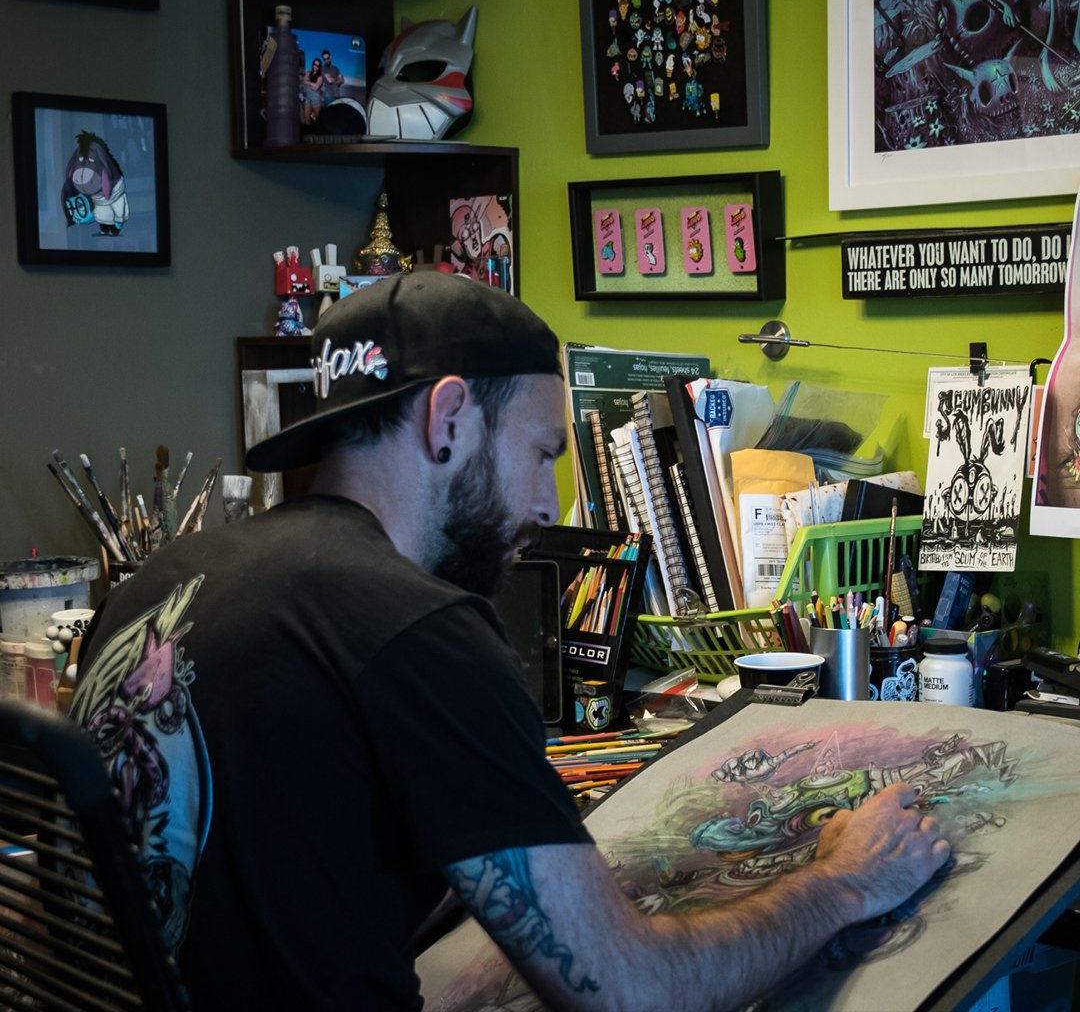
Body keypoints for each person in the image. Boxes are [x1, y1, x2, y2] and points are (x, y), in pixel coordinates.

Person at [71, 273, 950, 1010]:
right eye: (541, 453)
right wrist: (845, 881)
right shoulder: (417, 625)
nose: (545, 504)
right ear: (448, 418)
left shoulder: (155, 588)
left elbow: (271, 884)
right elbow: (632, 993)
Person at [302, 56, 324, 125]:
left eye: (317, 65)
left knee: (318, 118)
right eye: (314, 64)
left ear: (319, 67)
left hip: (315, 98)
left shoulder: (320, 76)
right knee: (306, 118)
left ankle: (318, 130)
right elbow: (303, 81)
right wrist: (312, 84)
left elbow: (316, 87)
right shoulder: (308, 72)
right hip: (307, 97)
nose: (315, 66)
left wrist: (308, 82)